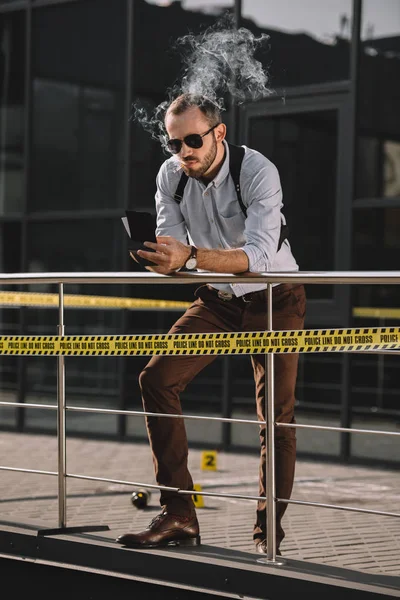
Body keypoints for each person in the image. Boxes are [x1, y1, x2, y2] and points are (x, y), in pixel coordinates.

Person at [116, 93, 306, 555]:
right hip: (218, 297)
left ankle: (267, 537)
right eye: (175, 143)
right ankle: (179, 515)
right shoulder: (170, 175)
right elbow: (176, 247)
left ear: (219, 133)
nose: (184, 152)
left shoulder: (258, 171)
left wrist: (192, 257)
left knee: (275, 418)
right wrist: (164, 260)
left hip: (274, 296)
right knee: (157, 378)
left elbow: (259, 258)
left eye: (194, 140)